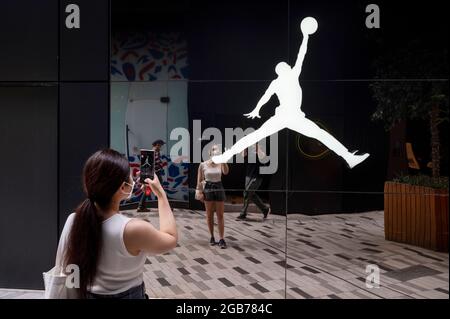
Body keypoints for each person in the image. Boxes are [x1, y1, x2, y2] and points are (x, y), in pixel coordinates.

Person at [212, 17, 369, 169]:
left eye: (287, 64)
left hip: (294, 116)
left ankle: (348, 157)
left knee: (319, 134)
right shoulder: (284, 78)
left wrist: (306, 37)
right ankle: (226, 156)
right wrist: (257, 108)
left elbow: (302, 54)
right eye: (285, 65)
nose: (288, 65)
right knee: (257, 136)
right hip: (284, 116)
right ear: (281, 70)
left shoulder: (291, 75)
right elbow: (266, 96)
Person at [56, 148, 177, 299]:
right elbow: (171, 238)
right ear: (123, 187)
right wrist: (160, 194)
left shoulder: (74, 219)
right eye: (131, 178)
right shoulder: (133, 229)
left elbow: (65, 267)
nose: (133, 181)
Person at [195, 145, 229, 248]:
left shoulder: (221, 163)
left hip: (219, 186)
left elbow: (226, 172)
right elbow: (200, 180)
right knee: (209, 214)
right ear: (210, 153)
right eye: (214, 150)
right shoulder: (203, 164)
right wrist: (199, 192)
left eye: (218, 151)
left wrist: (223, 160)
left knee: (220, 215)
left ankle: (222, 239)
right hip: (208, 187)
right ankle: (212, 236)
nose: (216, 152)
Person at [237, 144, 271, 220]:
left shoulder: (261, 150)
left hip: (257, 177)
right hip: (248, 176)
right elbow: (242, 156)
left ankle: (243, 214)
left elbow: (264, 159)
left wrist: (257, 147)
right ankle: (265, 209)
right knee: (250, 195)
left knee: (247, 193)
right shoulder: (249, 151)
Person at [137, 139, 165, 212]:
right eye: (160, 145)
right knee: (160, 189)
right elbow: (152, 163)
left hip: (154, 173)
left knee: (149, 189)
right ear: (156, 145)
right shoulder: (153, 152)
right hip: (155, 174)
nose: (161, 147)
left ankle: (141, 206)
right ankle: (164, 207)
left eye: (161, 145)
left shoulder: (155, 152)